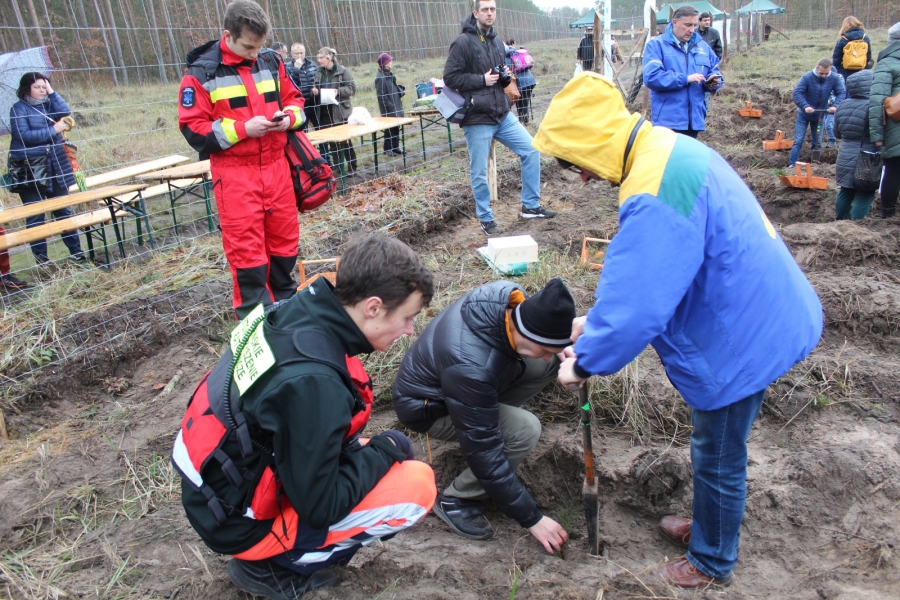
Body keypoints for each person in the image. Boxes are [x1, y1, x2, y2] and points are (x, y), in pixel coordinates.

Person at [533, 72, 822, 589]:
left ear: (591, 143)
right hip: (756, 307)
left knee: (718, 452)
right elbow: (657, 275)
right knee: (715, 442)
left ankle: (712, 560)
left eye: (572, 163)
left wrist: (587, 359)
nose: (578, 178)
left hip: (744, 334)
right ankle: (711, 523)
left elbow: (639, 303)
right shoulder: (665, 149)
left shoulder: (651, 192)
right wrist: (593, 326)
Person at [173, 234, 437, 600]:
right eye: (407, 317)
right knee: (415, 485)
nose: (409, 331)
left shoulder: (292, 311)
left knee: (367, 453)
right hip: (236, 524)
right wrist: (389, 447)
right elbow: (321, 507)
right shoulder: (314, 382)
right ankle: (279, 567)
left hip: (216, 491)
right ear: (373, 307)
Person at [392, 278, 574, 554]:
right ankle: (456, 499)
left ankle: (491, 417)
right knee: (525, 430)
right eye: (545, 348)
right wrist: (532, 519)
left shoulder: (509, 299)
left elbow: (540, 351)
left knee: (549, 367)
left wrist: (560, 345)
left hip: (466, 388)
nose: (549, 355)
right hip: (429, 407)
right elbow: (484, 450)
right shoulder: (470, 366)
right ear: (530, 334)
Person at [178, 0, 306, 319]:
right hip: (235, 176)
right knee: (248, 256)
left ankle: (287, 317)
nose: (254, 54)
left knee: (284, 246)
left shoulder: (271, 61)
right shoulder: (201, 73)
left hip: (277, 168)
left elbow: (295, 100)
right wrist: (242, 129)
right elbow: (193, 129)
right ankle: (255, 324)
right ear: (228, 35)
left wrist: (288, 119)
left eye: (259, 46)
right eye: (249, 46)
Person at [443, 0, 555, 236]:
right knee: (479, 171)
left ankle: (530, 206)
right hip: (477, 116)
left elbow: (499, 70)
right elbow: (450, 78)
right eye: (485, 9)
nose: (490, 13)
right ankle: (485, 217)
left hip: (501, 113)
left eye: (493, 9)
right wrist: (481, 80)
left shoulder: (497, 41)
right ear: (476, 13)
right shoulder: (462, 42)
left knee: (532, 150)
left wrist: (504, 77)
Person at [7, 72, 86, 265]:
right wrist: (54, 130)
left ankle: (76, 252)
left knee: (63, 210)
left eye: (45, 86)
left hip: (56, 165)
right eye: (37, 87)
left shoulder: (49, 104)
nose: (42, 90)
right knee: (35, 215)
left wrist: (51, 91)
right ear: (27, 88)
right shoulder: (18, 109)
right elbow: (24, 136)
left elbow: (65, 110)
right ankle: (42, 260)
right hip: (31, 168)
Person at [642, 5, 723, 138]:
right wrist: (685, 79)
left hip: (694, 120)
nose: (692, 30)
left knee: (687, 158)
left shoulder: (702, 47)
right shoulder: (656, 45)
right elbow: (652, 77)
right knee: (668, 158)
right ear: (674, 22)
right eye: (687, 25)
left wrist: (713, 82)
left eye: (694, 26)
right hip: (668, 122)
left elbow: (714, 70)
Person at [834, 70, 877, 220]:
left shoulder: (842, 105)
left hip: (845, 153)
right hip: (868, 156)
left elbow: (837, 133)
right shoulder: (874, 107)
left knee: (846, 191)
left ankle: (840, 222)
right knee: (865, 194)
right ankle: (856, 227)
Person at [789, 58, 846, 168]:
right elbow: (797, 93)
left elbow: (841, 92)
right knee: (798, 140)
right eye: (821, 73)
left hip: (820, 116)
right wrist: (805, 106)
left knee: (817, 142)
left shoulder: (834, 78)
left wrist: (835, 106)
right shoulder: (807, 77)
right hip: (804, 115)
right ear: (817, 67)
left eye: (826, 73)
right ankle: (792, 164)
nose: (824, 75)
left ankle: (815, 165)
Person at [869, 22, 900, 218]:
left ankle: (888, 215)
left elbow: (877, 101)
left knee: (893, 171)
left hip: (894, 128)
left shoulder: (887, 63)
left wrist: (877, 135)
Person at [312, 47, 357, 175]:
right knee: (331, 141)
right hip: (325, 111)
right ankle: (338, 165)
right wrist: (315, 91)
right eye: (318, 58)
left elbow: (352, 89)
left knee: (344, 140)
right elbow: (316, 85)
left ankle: (352, 166)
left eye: (321, 58)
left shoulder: (342, 71)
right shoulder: (319, 72)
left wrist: (338, 91)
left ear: (329, 57)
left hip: (340, 111)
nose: (319, 60)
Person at [374, 52, 405, 156]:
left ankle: (395, 147)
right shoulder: (380, 77)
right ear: (386, 63)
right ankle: (387, 149)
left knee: (396, 127)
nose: (391, 62)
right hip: (388, 108)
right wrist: (390, 107)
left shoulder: (389, 75)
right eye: (390, 61)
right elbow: (381, 96)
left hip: (396, 104)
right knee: (389, 129)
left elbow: (393, 87)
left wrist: (399, 90)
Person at [289, 43, 319, 131]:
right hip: (300, 106)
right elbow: (290, 84)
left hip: (314, 103)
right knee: (303, 132)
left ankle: (322, 145)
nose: (299, 56)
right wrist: (296, 69)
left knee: (320, 129)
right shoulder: (287, 67)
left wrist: (317, 91)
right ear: (291, 54)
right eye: (296, 53)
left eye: (301, 53)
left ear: (305, 52)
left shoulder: (312, 65)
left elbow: (318, 80)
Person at [505, 40, 536, 125]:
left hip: (520, 84)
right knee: (524, 105)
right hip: (530, 81)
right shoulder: (517, 53)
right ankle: (525, 123)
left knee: (518, 105)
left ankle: (522, 124)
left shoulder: (506, 58)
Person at [832, 16, 873, 81]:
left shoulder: (842, 39)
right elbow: (868, 56)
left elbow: (836, 58)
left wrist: (835, 70)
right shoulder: (865, 38)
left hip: (845, 72)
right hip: (861, 71)